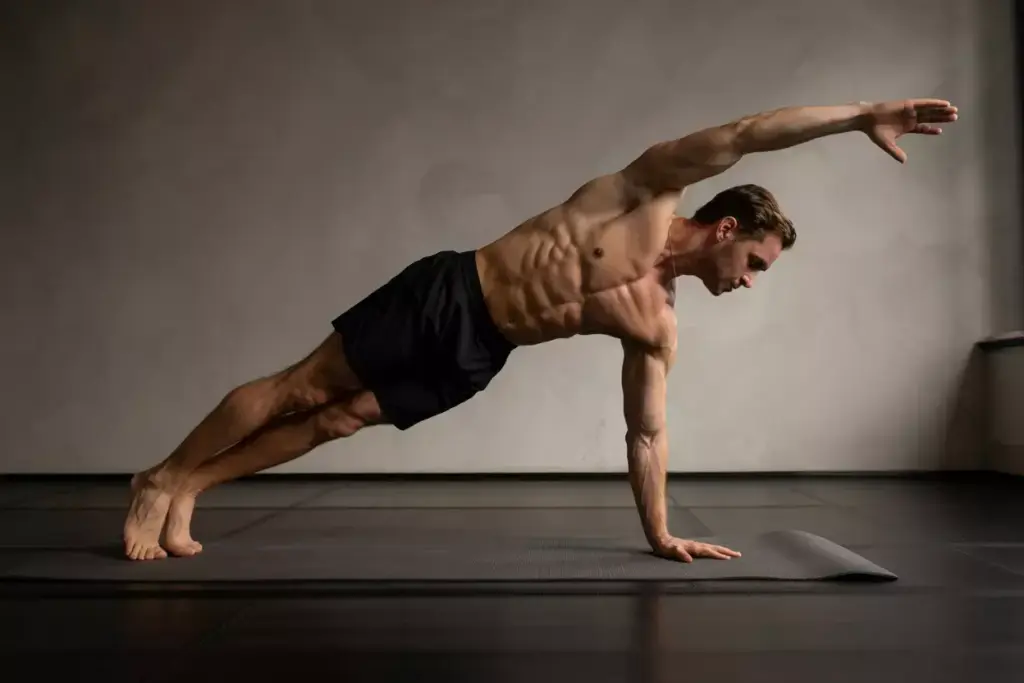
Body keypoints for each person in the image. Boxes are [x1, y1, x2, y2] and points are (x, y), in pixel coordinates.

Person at [123, 97, 958, 562]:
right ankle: (161, 475)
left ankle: (195, 489)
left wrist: (660, 532)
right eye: (756, 265)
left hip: (483, 350)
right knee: (304, 385)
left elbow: (646, 432)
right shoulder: (645, 191)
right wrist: (857, 116)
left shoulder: (657, 324)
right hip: (453, 291)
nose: (749, 285)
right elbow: (745, 134)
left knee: (337, 421)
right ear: (729, 228)